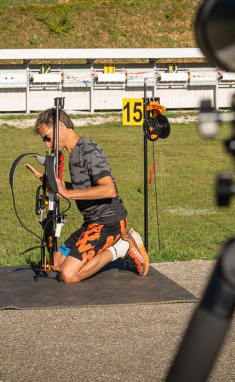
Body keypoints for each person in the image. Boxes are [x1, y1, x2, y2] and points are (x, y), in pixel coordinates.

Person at [24, 108, 149, 283]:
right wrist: (54, 184)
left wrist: (67, 193)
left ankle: (124, 246)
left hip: (109, 223)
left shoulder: (88, 150)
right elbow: (82, 187)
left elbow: (108, 189)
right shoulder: (73, 153)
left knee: (68, 275)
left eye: (47, 138)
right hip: (91, 223)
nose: (46, 144)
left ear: (60, 127)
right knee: (55, 264)